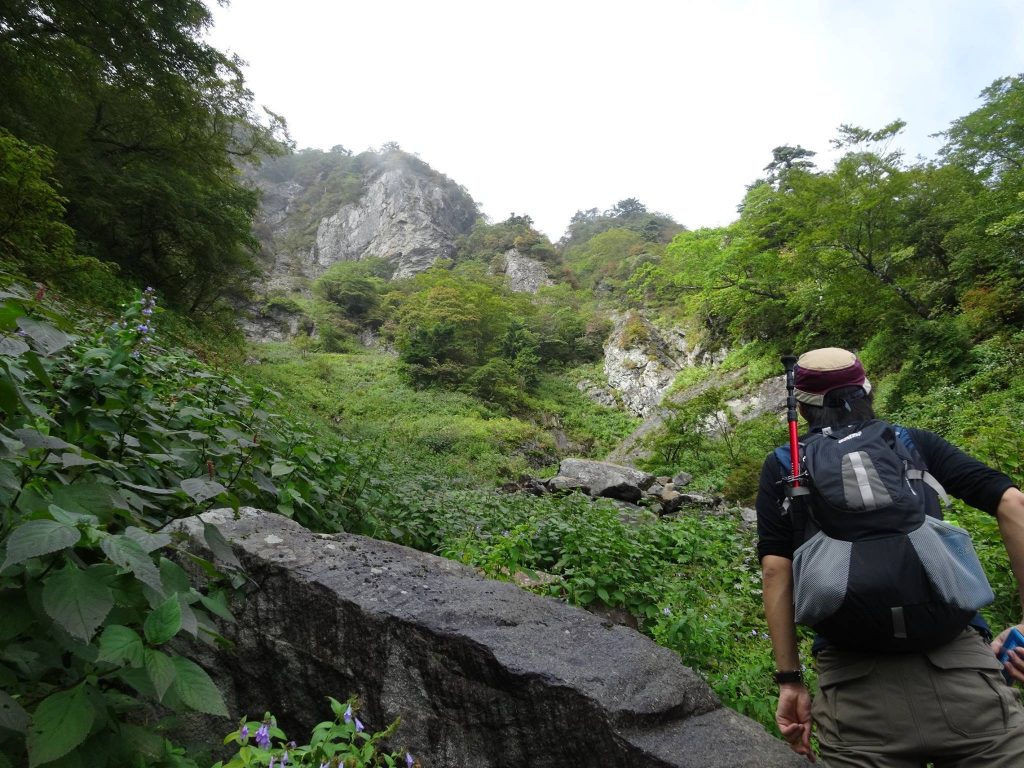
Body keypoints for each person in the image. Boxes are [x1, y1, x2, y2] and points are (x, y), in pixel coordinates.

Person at [756, 347, 1024, 766]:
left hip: (856, 694)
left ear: (803, 409)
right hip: (964, 676)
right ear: (866, 390)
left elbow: (776, 572)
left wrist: (790, 681)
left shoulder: (784, 464)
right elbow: (1013, 505)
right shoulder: (912, 442)